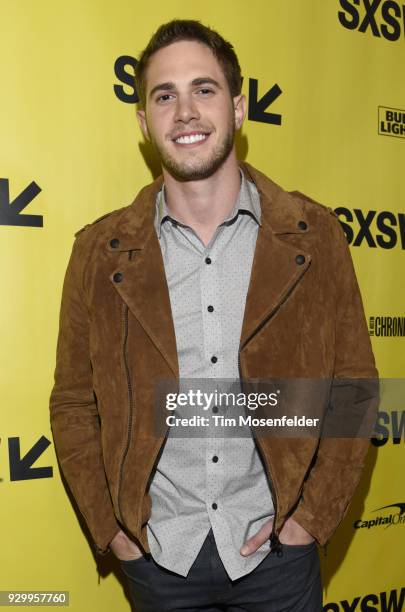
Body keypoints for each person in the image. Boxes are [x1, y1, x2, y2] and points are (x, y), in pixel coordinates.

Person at [49, 19, 378, 612]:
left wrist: (311, 518)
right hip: (159, 557)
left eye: (204, 89)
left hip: (277, 553)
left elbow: (353, 388)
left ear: (240, 106)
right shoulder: (98, 253)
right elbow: (74, 401)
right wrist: (113, 530)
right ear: (144, 122)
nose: (186, 112)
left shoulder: (316, 235)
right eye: (164, 95)